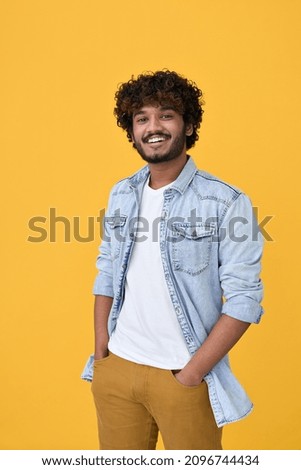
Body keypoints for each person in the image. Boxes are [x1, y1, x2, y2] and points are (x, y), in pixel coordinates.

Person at [81, 70, 264, 450]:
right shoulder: (122, 193)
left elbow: (245, 300)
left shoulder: (226, 202)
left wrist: (192, 374)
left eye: (166, 115)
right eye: (142, 118)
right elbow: (107, 271)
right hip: (118, 369)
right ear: (131, 131)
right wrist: (103, 353)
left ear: (188, 124)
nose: (153, 127)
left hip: (183, 376)